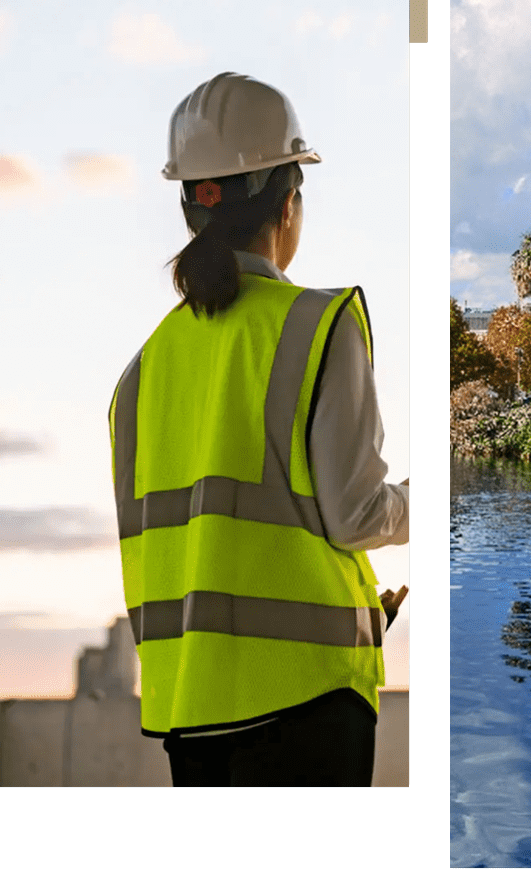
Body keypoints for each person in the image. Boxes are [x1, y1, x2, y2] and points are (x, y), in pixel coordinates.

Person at [108, 72, 409, 786]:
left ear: (191, 208)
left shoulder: (139, 375)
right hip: (310, 704)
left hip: (189, 709)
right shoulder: (321, 323)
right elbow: (358, 513)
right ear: (289, 205)